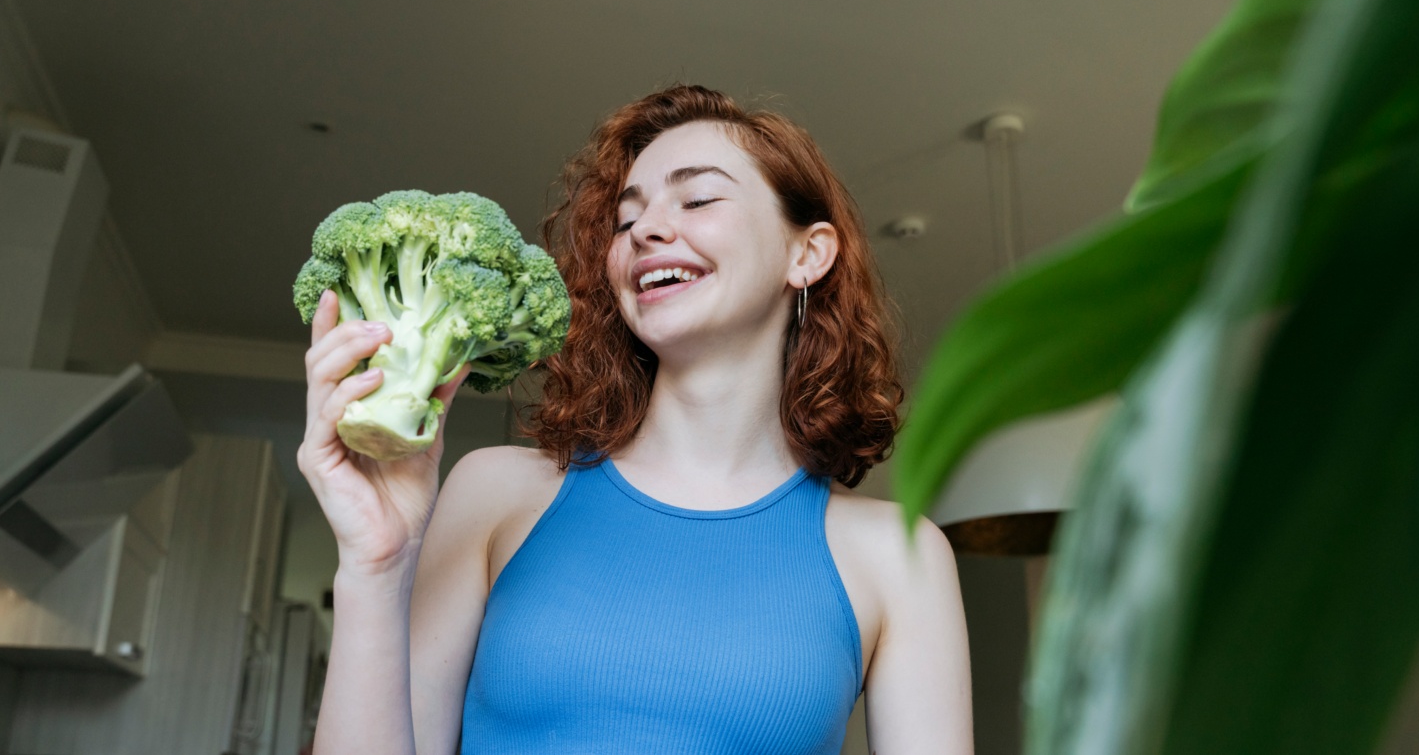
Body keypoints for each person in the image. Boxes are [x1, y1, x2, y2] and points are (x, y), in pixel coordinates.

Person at [298, 85, 973, 754]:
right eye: (626, 221)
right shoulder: (496, 494)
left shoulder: (897, 558)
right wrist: (375, 568)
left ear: (808, 254)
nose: (645, 230)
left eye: (699, 198)